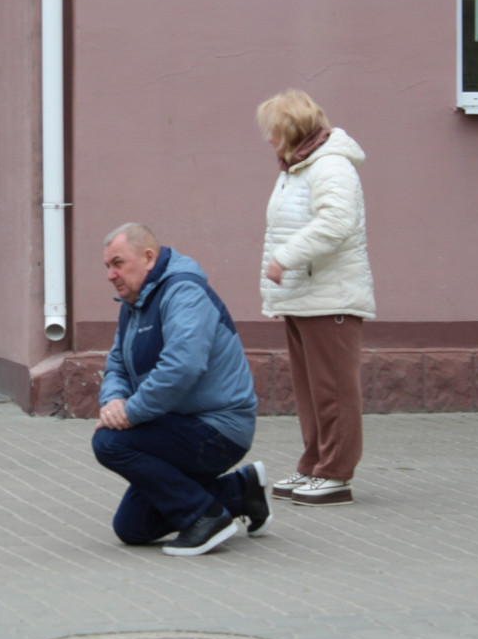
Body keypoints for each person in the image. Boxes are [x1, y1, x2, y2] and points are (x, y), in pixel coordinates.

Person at [91, 223, 269, 557]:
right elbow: (117, 365)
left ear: (148, 257)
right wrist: (113, 400)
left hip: (218, 430)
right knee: (133, 528)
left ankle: (206, 518)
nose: (110, 275)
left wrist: (130, 413)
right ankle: (240, 492)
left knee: (110, 442)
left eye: (118, 263)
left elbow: (182, 367)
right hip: (176, 425)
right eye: (107, 266)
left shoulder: (184, 292)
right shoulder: (134, 303)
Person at [257, 89, 375, 507]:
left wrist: (285, 258)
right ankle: (314, 464)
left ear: (289, 130)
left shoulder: (331, 166)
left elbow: (336, 223)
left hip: (331, 299)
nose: (268, 139)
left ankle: (336, 473)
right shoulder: (297, 169)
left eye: (272, 130)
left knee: (334, 390)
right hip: (304, 295)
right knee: (310, 390)